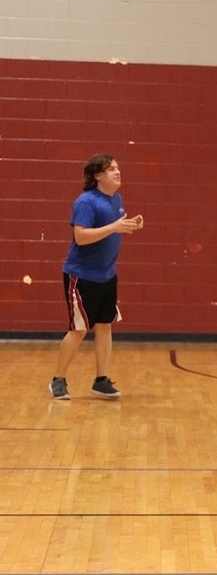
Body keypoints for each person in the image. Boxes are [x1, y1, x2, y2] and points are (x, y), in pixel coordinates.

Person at [49, 154, 143, 400]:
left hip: (107, 276)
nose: (117, 171)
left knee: (104, 327)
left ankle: (101, 380)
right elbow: (81, 237)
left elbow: (112, 230)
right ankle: (58, 380)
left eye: (118, 167)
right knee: (79, 330)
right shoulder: (86, 202)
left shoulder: (116, 199)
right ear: (97, 175)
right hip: (82, 277)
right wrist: (114, 227)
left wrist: (129, 225)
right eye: (111, 168)